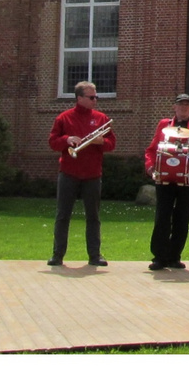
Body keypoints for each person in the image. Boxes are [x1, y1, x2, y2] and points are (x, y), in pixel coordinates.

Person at [143, 93, 189, 271]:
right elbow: (152, 150)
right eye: (180, 105)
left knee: (182, 218)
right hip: (165, 178)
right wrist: (151, 166)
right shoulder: (164, 125)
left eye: (187, 105)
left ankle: (175, 256)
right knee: (162, 216)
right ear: (174, 107)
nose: (183, 108)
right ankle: (159, 257)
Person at [47, 80, 115, 267]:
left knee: (93, 216)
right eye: (91, 97)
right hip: (69, 172)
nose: (95, 100)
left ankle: (95, 255)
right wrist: (67, 139)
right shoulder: (64, 118)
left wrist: (101, 142)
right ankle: (57, 254)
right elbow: (53, 142)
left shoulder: (101, 118)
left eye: (96, 97)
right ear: (79, 98)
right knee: (63, 215)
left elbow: (112, 144)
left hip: (93, 174)